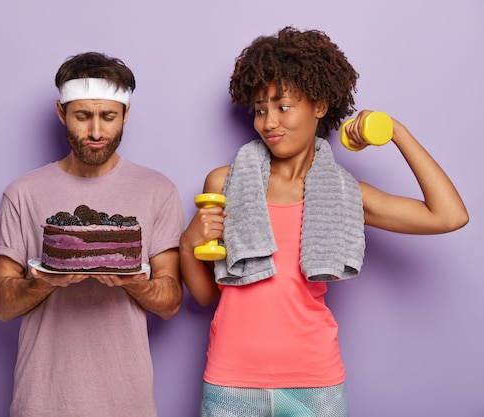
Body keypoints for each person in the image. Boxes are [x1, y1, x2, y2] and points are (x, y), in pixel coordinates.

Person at [179, 27, 468, 417]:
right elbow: (206, 297)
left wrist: (395, 130)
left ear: (319, 105)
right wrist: (187, 244)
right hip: (231, 377)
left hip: (315, 379)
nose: (269, 123)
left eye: (283, 107)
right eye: (260, 109)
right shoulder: (224, 184)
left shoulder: (348, 195)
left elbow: (449, 215)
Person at [0, 52, 184, 417]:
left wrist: (135, 282)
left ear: (126, 114)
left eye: (108, 117)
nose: (95, 131)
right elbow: (1, 305)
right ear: (61, 112)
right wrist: (46, 282)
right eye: (82, 116)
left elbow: (171, 300)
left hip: (128, 401)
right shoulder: (23, 192)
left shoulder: (158, 190)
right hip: (42, 400)